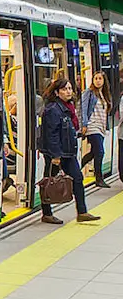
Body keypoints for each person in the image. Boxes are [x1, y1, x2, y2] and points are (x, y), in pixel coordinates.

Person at [39, 78, 100, 224]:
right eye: (65, 89)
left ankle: (82, 212)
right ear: (57, 92)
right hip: (57, 153)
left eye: (70, 88)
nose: (68, 92)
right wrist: (55, 155)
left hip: (68, 151)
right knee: (49, 182)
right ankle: (46, 213)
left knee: (78, 179)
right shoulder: (53, 109)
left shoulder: (68, 107)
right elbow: (51, 134)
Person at [80, 71, 112, 188]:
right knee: (100, 151)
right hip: (92, 126)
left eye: (100, 78)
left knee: (94, 152)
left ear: (104, 81)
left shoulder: (104, 94)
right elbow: (83, 109)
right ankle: (99, 178)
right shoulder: (89, 93)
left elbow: (106, 112)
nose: (98, 81)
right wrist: (84, 124)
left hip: (101, 126)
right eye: (96, 78)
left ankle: (77, 168)